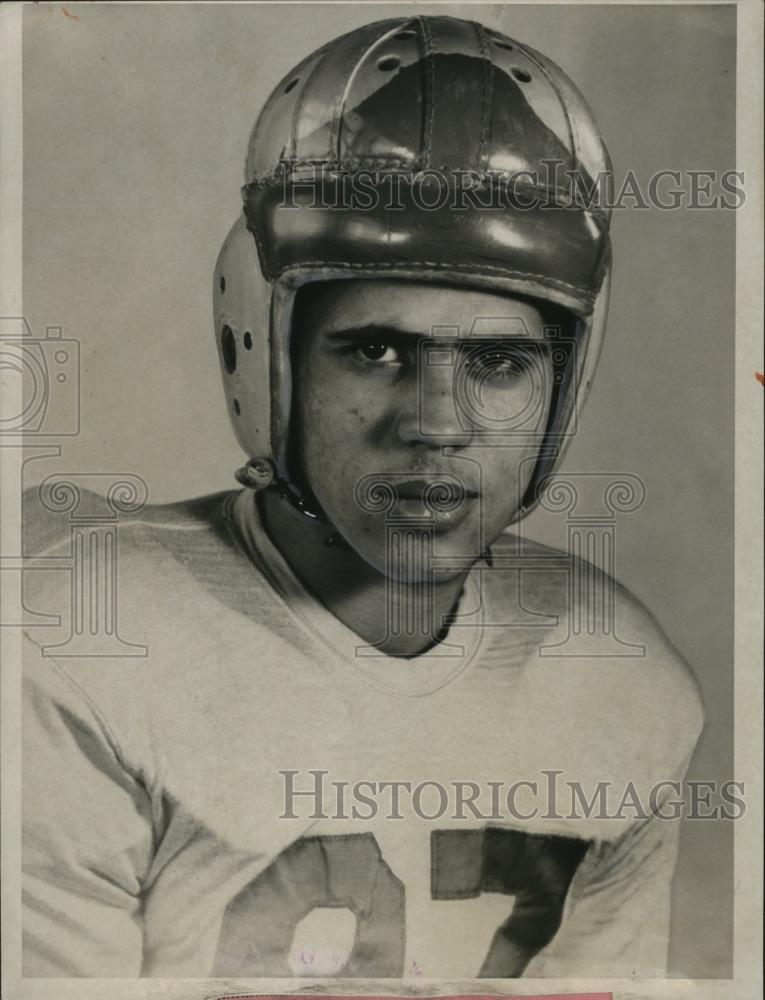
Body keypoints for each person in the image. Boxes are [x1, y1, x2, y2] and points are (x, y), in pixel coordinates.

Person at [21, 15, 703, 980]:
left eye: (499, 361)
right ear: (263, 357)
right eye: (376, 351)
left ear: (560, 391)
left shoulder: (622, 687)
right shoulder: (72, 639)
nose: (436, 422)